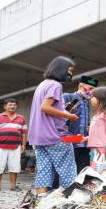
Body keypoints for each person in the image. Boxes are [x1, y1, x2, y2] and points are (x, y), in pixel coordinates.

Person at [29, 56, 78, 195]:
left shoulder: (42, 84)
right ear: (60, 69)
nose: (70, 74)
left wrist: (65, 110)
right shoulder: (56, 85)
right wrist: (70, 116)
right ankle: (70, 201)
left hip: (39, 136)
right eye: (69, 70)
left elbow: (48, 109)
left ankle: (40, 200)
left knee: (44, 170)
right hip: (55, 136)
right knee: (67, 170)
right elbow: (45, 107)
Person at [0, 99, 27, 191]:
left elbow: (24, 133)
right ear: (5, 106)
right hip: (0, 146)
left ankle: (13, 186)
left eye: (14, 105)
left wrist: (23, 145)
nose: (13, 106)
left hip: (16, 146)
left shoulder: (21, 118)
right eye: (10, 105)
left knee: (15, 166)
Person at [63, 75, 99, 173]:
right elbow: (60, 119)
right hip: (70, 140)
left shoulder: (87, 103)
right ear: (80, 86)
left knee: (82, 169)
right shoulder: (68, 97)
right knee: (68, 169)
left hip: (84, 142)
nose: (91, 92)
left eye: (93, 90)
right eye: (90, 88)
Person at [87, 87, 106, 170]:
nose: (91, 99)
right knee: (94, 168)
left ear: (101, 98)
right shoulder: (97, 115)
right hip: (94, 147)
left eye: (93, 97)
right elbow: (98, 133)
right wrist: (85, 138)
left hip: (102, 148)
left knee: (99, 169)